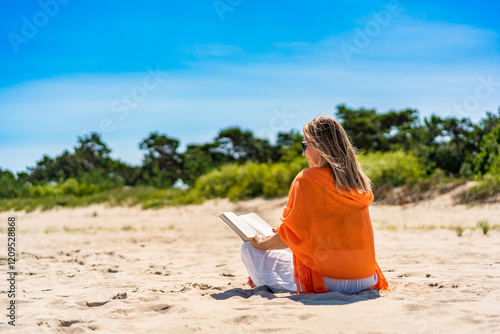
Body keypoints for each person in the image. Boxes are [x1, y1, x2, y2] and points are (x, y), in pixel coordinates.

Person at [240, 116, 388, 294]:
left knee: (248, 249)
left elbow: (287, 237)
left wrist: (260, 243)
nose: (303, 153)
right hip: (365, 278)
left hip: (328, 281)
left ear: (320, 147)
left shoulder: (307, 179)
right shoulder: (357, 183)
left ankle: (262, 280)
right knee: (291, 255)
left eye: (305, 146)